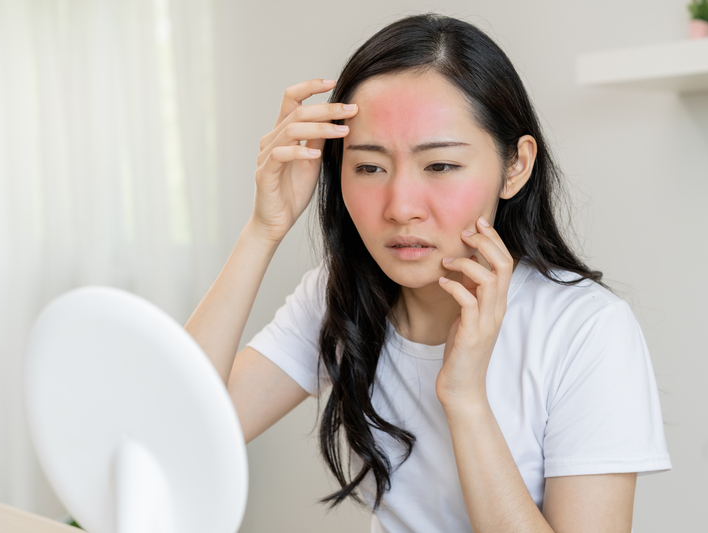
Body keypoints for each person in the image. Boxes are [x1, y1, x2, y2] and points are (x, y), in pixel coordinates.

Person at [185, 13, 671, 533]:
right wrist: (263, 230)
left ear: (515, 166)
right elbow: (177, 430)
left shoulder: (585, 330)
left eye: (439, 166)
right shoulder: (341, 294)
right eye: (369, 167)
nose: (401, 207)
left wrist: (465, 399)